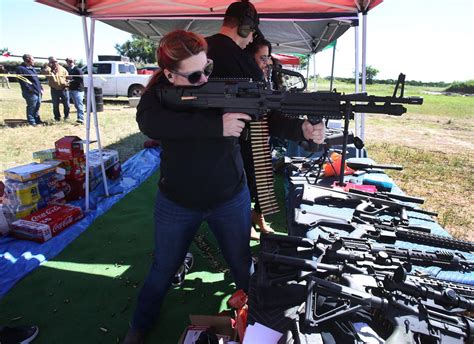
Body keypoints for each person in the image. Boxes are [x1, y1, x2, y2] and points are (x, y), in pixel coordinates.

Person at [123, 30, 253, 344]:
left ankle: (260, 323)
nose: (204, 78)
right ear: (169, 74)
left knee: (243, 266)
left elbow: (270, 113)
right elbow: (153, 125)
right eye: (194, 75)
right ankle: (140, 326)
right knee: (163, 268)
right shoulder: (157, 97)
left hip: (229, 197)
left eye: (207, 68)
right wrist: (216, 127)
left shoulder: (224, 86)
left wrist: (302, 128)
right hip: (178, 202)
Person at [206, 0, 325, 239]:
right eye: (251, 32)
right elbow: (265, 115)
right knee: (235, 205)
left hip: (202, 153)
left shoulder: (200, 49)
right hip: (234, 149)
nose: (251, 39)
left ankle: (245, 224)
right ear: (244, 27)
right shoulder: (243, 62)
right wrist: (298, 128)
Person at [15, 54, 43, 126]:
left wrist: (40, 88)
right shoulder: (20, 68)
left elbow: (36, 80)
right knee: (32, 107)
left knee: (37, 106)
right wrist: (30, 89)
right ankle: (32, 122)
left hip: (37, 91)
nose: (34, 61)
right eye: (32, 59)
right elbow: (23, 81)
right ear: (28, 59)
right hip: (30, 92)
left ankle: (37, 120)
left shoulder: (31, 68)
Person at [42, 56, 70, 121]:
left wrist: (67, 83)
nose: (54, 63)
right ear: (49, 62)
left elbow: (68, 77)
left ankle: (66, 117)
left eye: (55, 61)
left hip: (64, 89)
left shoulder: (62, 69)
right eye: (52, 62)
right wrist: (48, 67)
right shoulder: (48, 70)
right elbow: (44, 73)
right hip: (54, 89)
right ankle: (57, 118)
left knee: (67, 105)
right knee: (55, 105)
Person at [65, 58, 84, 124]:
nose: (68, 63)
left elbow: (80, 79)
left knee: (79, 104)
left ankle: (81, 119)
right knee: (76, 105)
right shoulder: (68, 70)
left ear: (72, 62)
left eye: (69, 62)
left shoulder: (77, 70)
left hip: (78, 90)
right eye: (67, 62)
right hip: (71, 89)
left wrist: (71, 79)